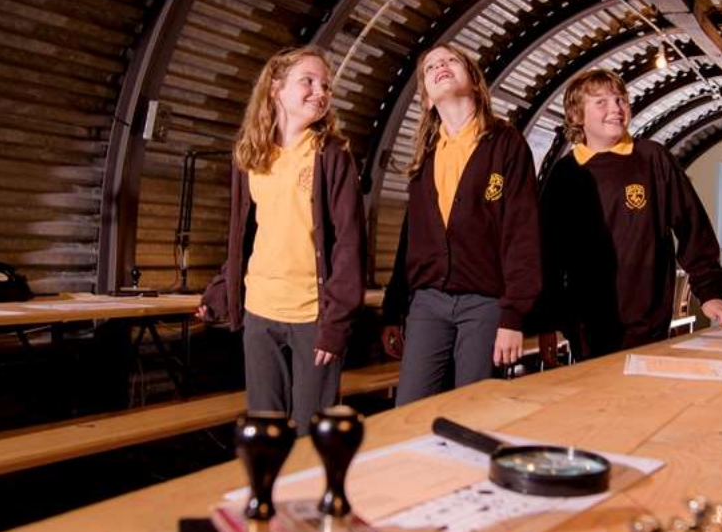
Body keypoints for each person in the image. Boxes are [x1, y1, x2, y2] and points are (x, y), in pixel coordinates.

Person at [200, 46, 365, 424]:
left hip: (313, 315)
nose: (319, 92)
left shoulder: (332, 154)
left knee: (314, 432)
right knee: (265, 428)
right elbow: (245, 237)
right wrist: (221, 290)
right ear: (275, 89)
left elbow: (350, 245)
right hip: (260, 310)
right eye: (308, 81)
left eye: (325, 86)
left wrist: (336, 325)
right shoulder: (250, 156)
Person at [535, 68, 722, 363]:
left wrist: (709, 292)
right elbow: (548, 254)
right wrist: (546, 319)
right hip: (586, 323)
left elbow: (692, 226)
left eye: (621, 100)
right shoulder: (565, 173)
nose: (616, 108)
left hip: (648, 318)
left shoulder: (652, 158)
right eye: (601, 102)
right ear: (577, 115)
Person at [381, 43, 542, 405]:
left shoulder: (506, 144)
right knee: (410, 408)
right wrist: (394, 309)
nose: (441, 66)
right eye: (431, 67)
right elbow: (411, 238)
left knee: (475, 408)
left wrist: (512, 316)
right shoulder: (425, 156)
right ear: (426, 98)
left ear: (473, 80)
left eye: (451, 60)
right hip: (427, 304)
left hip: (485, 304)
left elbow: (522, 234)